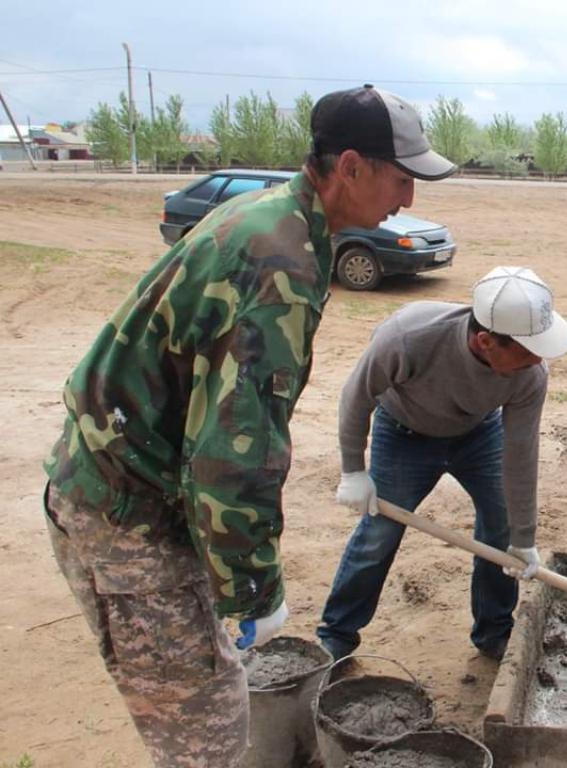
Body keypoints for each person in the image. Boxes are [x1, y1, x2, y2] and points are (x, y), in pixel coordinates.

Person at [42, 84, 455, 767]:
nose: (408, 199)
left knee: (214, 708)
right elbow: (235, 449)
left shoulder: (281, 220)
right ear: (350, 167)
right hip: (124, 513)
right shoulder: (280, 259)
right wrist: (253, 589)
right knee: (206, 736)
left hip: (139, 487)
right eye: (401, 177)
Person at [316, 266, 567, 662]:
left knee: (500, 529)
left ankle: (494, 632)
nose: (537, 359)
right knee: (379, 534)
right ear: (487, 341)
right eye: (526, 351)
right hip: (403, 432)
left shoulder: (530, 374)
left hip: (478, 433)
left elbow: (521, 453)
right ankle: (337, 634)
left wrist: (523, 538)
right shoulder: (408, 336)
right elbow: (356, 396)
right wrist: (353, 469)